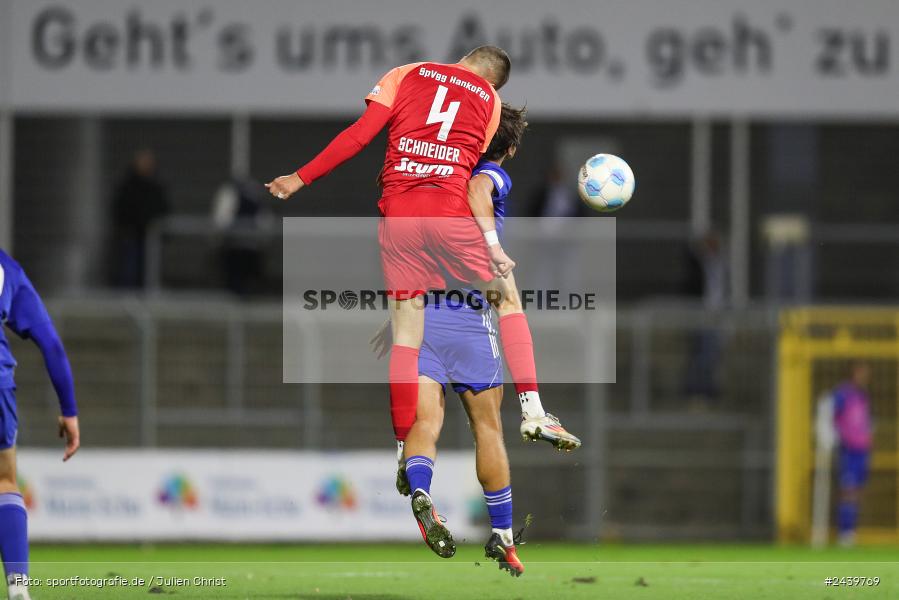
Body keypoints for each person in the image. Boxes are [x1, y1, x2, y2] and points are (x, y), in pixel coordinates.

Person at [371, 105, 578, 575]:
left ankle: (421, 491)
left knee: (425, 426)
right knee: (487, 428)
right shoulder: (488, 174)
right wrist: (492, 244)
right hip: (469, 318)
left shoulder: (436, 179)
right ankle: (503, 534)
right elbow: (479, 190)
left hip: (421, 315)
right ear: (511, 148)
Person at [0, 250, 81, 600]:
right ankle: (18, 587)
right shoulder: (6, 267)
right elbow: (51, 344)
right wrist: (69, 409)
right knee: (3, 480)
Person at [111, 149, 170, 288]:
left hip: (150, 238)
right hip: (131, 237)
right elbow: (119, 209)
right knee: (129, 274)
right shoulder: (127, 186)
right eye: (143, 162)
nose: (146, 166)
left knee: (149, 274)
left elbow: (164, 209)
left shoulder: (156, 186)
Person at [832, 361, 873, 546]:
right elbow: (831, 414)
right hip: (848, 449)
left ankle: (851, 531)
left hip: (862, 450)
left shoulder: (863, 396)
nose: (864, 376)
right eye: (861, 372)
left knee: (857, 492)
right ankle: (844, 532)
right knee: (847, 490)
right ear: (853, 373)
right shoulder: (842, 393)